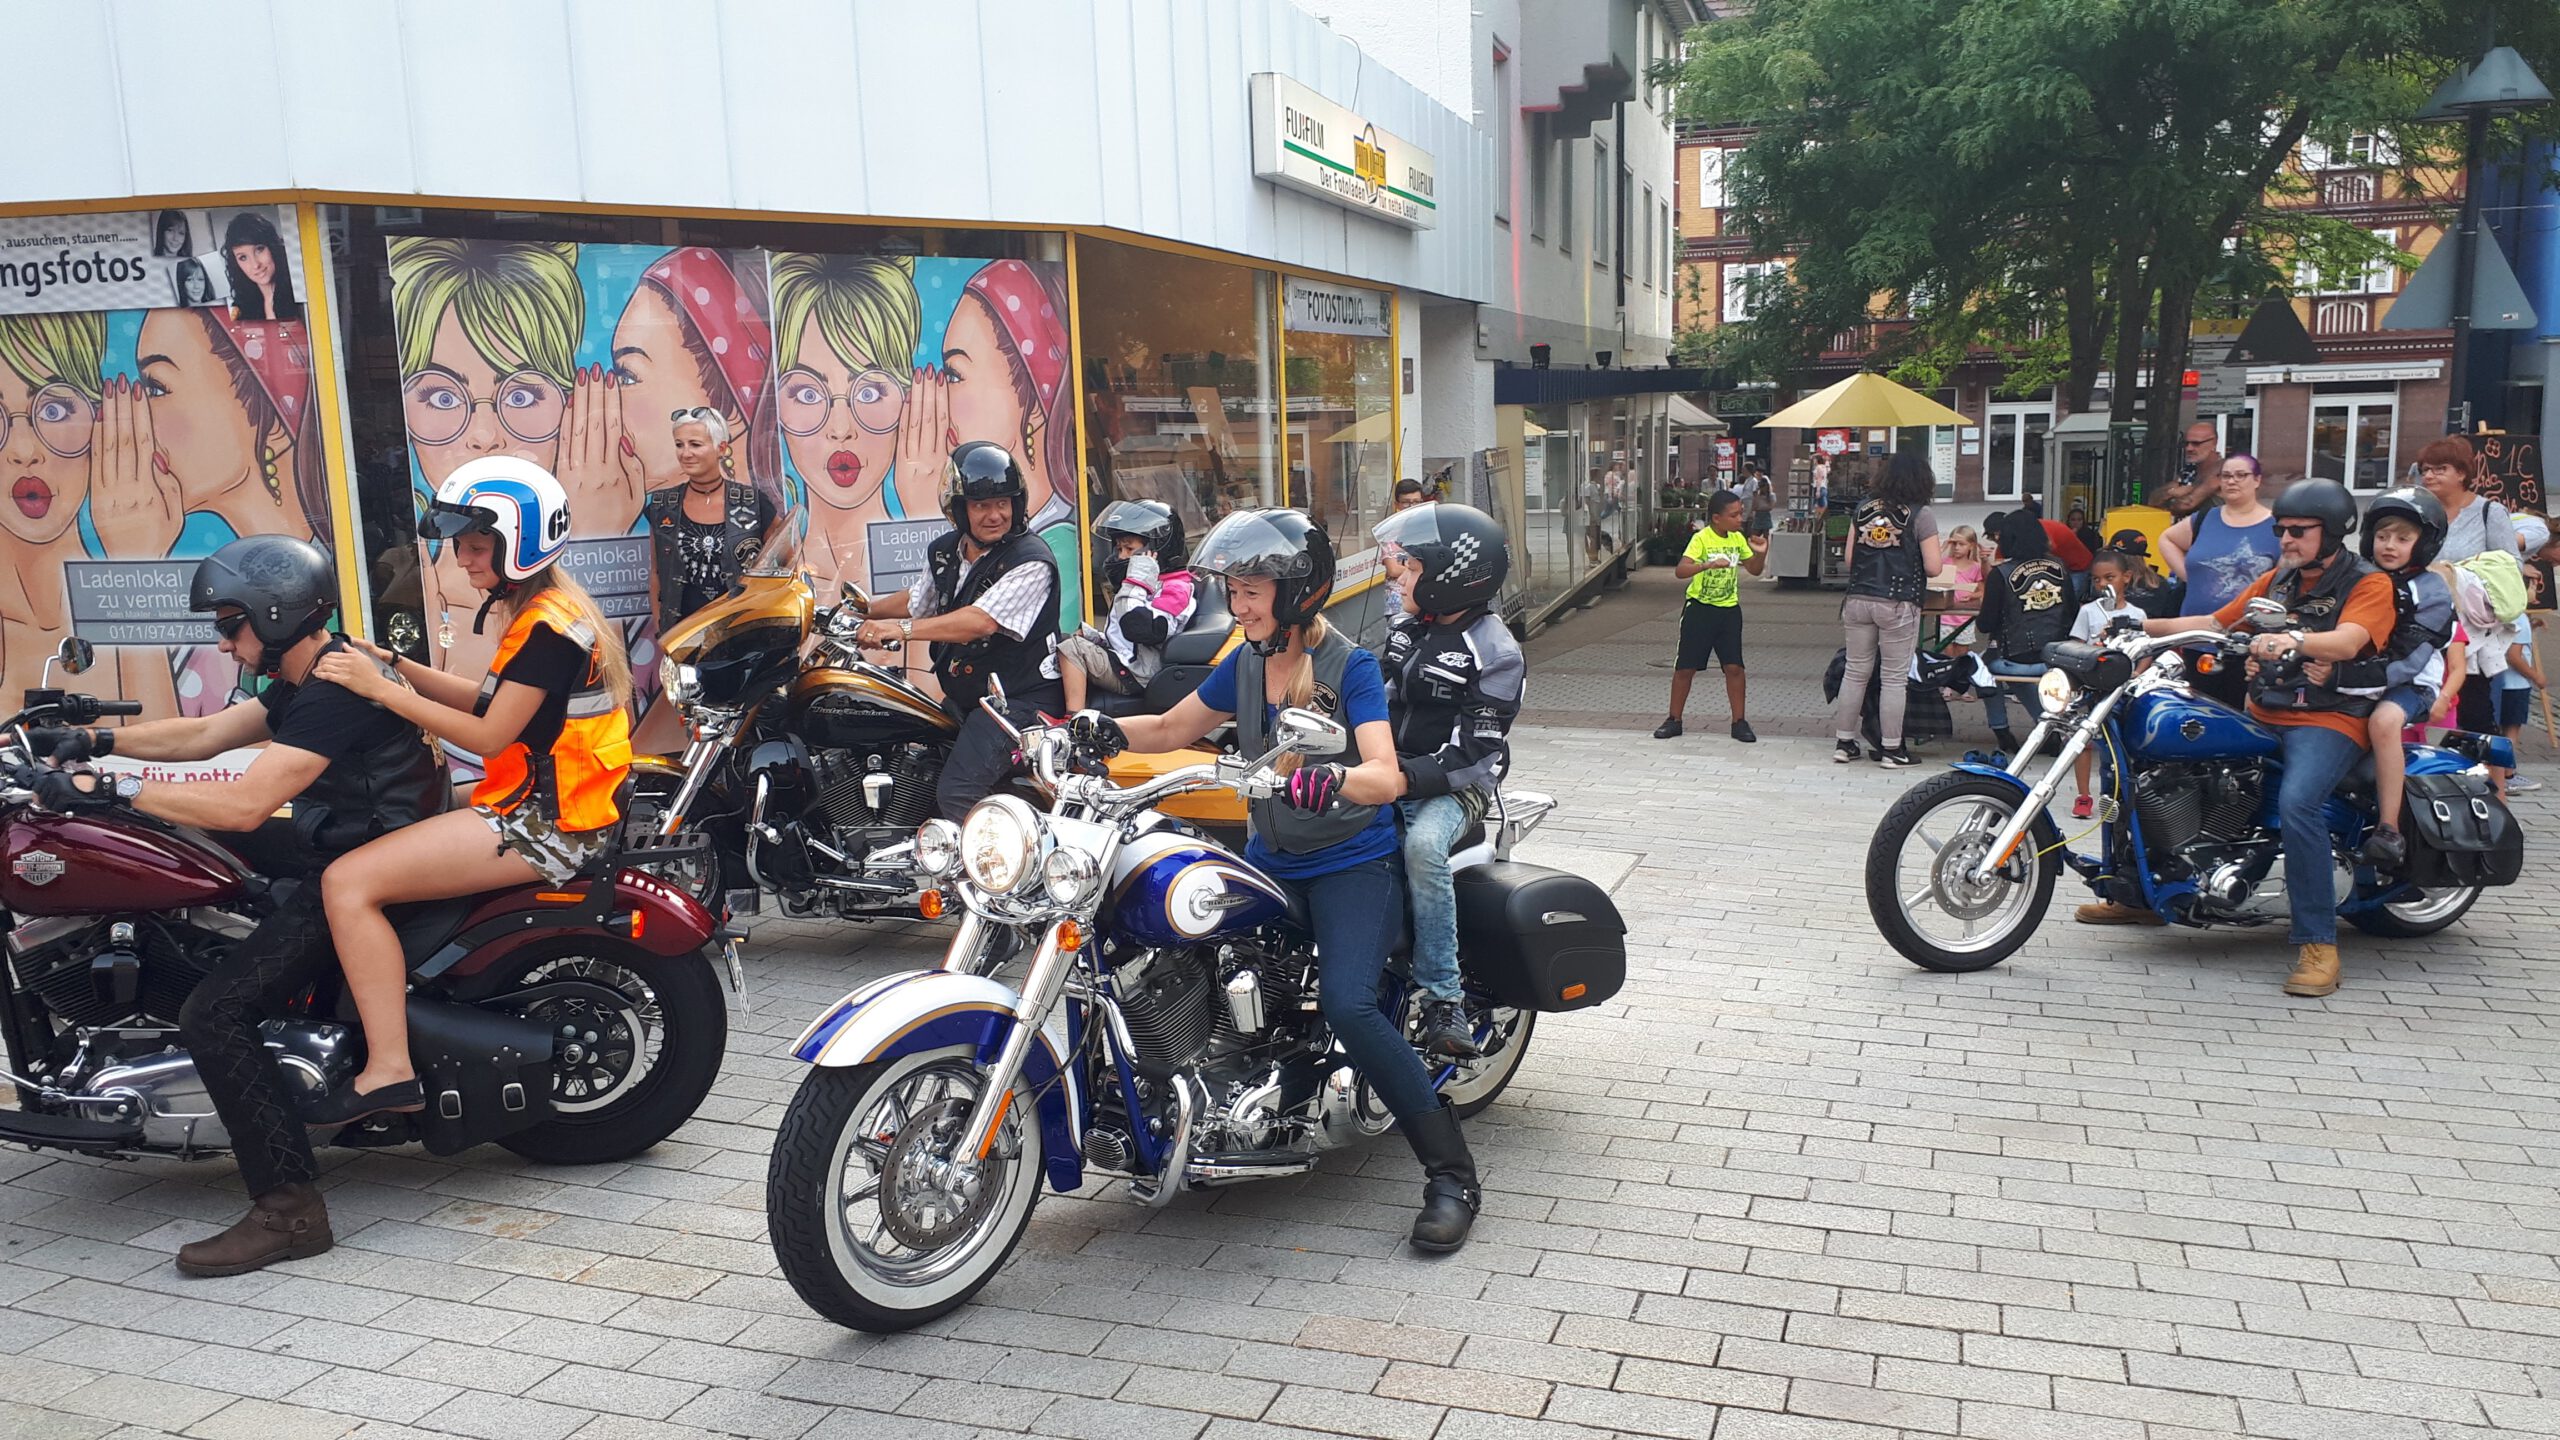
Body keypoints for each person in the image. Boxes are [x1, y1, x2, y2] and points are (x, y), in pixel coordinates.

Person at [27, 537, 448, 1275]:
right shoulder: (310, 672)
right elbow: (206, 733)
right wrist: (93, 740)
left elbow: (249, 802)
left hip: (362, 862)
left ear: (275, 614)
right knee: (188, 859)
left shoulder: (334, 691)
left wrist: (114, 788)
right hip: (340, 839)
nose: (223, 641)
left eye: (230, 624)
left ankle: (290, 1212)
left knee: (214, 1013)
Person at [1069, 509, 1484, 1253]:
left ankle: (1451, 1175)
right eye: (1233, 589)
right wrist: (1089, 726)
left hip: (1352, 866)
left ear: (1296, 592)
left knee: (1350, 1006)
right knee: (1174, 939)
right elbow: (1168, 728)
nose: (1239, 603)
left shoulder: (1350, 667)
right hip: (1271, 860)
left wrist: (1336, 779)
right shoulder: (1244, 661)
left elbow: (1385, 774)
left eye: (1252, 589)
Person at [305, 457, 635, 1121]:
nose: (463, 559)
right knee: (403, 814)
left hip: (542, 826)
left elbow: (487, 735)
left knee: (346, 883)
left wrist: (381, 692)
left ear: (521, 544)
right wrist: (394, 664)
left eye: (478, 546)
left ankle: (390, 1070)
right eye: (459, 546)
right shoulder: (546, 611)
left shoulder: (549, 631)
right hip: (542, 806)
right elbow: (491, 702)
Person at [2105, 479, 2395, 999]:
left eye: (2299, 531)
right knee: (2156, 767)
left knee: (2298, 804)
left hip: (2328, 719)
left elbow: (2351, 640)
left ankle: (2318, 943)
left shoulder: (2367, 583)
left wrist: (2295, 639)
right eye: (2282, 529)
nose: (2286, 539)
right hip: (2264, 711)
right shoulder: (2277, 580)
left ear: (2332, 532)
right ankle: (2147, 894)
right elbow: (2216, 621)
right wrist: (2140, 626)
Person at [1372, 502, 1524, 1062]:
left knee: (1422, 847)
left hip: (1459, 786)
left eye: (1410, 569)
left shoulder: (1496, 650)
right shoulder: (1408, 629)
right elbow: (1372, 698)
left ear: (1450, 576)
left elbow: (1476, 749)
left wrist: (1403, 778)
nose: (1398, 578)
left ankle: (1443, 998)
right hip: (1391, 769)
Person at [854, 441, 1062, 821]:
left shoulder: (1031, 560)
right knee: (921, 767)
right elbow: (919, 600)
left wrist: (899, 630)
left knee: (956, 793)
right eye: (981, 505)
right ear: (960, 509)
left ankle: (997, 858)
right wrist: (860, 609)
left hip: (1019, 703)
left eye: (1003, 503)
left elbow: (979, 622)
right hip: (970, 698)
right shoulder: (947, 551)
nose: (995, 515)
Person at [2340, 489, 2458, 868]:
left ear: (2424, 545)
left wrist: (2345, 678)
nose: (2390, 545)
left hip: (2410, 685)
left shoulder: (2432, 590)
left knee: (2384, 721)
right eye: (2382, 536)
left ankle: (2388, 828)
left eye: (2403, 538)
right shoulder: (2355, 577)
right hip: (2355, 677)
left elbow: (2407, 659)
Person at [1830, 449, 1945, 765]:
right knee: (1894, 678)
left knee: (1856, 672)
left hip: (1858, 599)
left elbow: (1850, 559)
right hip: (1898, 601)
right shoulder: (1921, 514)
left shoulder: (1862, 509)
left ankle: (1844, 743)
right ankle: (1892, 750)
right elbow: (1934, 567)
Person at [646, 407, 778, 634]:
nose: (685, 453)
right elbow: (657, 573)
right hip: (684, 637)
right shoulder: (662, 506)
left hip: (744, 634)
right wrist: (663, 633)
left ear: (721, 448)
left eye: (695, 444)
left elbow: (785, 560)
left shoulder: (753, 503)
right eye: (679, 444)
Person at [2159, 453, 2276, 707]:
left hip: (2247, 642)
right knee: (2199, 708)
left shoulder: (2276, 525)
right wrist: (2189, 577)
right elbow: (2167, 539)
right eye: (2226, 476)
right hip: (2197, 639)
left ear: (2257, 480)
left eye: (2241, 475)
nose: (2232, 481)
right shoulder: (2205, 519)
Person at [1059, 499, 1195, 712]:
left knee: (1072, 649)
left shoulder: (1175, 589)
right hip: (1129, 663)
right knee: (1063, 639)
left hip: (1139, 674)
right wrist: (1095, 637)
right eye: (1119, 548)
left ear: (1157, 549)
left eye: (1129, 549)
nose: (1121, 555)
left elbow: (1141, 629)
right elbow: (1125, 641)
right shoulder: (1150, 584)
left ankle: (1073, 719)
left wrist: (1137, 580)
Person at [1656, 487, 1764, 742]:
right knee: (1686, 667)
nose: (1740, 519)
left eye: (1741, 514)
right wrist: (1707, 564)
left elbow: (1755, 569)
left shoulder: (1737, 539)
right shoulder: (1702, 539)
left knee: (1734, 666)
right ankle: (1674, 719)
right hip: (1700, 609)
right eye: (1734, 515)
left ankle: (1739, 722)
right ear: (1717, 518)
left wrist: (1761, 552)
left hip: (1729, 611)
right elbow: (1681, 571)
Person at [2064, 550, 2152, 818]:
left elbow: (2146, 651)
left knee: (2116, 745)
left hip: (2124, 688)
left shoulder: (2137, 614)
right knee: (2083, 740)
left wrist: (2138, 673)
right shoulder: (2088, 611)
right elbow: (2076, 647)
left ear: (2127, 577)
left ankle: (2115, 795)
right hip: (2093, 685)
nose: (2102, 584)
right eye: (2096, 579)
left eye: (2109, 578)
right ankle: (2083, 795)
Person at [1976, 509, 2075, 742]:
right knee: (2016, 671)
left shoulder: (2001, 574)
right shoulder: (2060, 567)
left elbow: (1985, 624)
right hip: (2055, 658)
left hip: (2014, 660)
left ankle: (2001, 730)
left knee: (1981, 668)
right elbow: (2072, 612)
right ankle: (2048, 727)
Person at [2420, 435, 2519, 563]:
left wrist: (2458, 572)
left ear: (2461, 474)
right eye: (2425, 470)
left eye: (2440, 469)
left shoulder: (2490, 513)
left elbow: (2512, 564)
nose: (2428, 476)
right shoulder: (2419, 512)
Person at [221, 210, 302, 322]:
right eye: (243, 257)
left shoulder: (300, 294)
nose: (255, 265)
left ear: (272, 247)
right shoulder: (242, 308)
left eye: (259, 249)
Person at [2157, 422, 2222, 518]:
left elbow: (2186, 505)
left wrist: (2181, 493)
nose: (2189, 448)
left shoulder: (2224, 468)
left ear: (2214, 443)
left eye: (2196, 443)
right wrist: (2171, 492)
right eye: (2186, 443)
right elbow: (2153, 500)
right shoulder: (2189, 470)